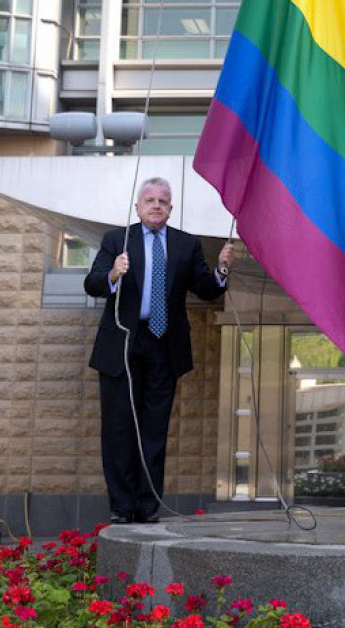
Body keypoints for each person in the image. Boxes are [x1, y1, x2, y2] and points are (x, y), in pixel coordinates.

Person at [84, 177, 233, 524]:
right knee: (119, 429)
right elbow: (92, 284)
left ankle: (147, 507)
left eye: (162, 201)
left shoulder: (185, 244)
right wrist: (113, 274)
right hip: (122, 343)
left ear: (170, 208)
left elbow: (207, 289)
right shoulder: (116, 240)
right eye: (149, 200)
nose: (156, 206)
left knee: (154, 429)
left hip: (164, 345)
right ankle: (121, 508)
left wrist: (222, 268)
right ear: (137, 207)